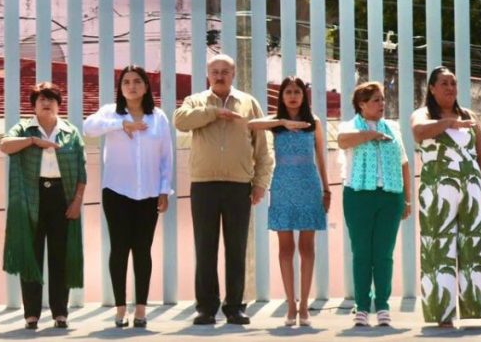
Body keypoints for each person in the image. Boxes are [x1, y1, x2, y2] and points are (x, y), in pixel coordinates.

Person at [173, 54, 274, 326]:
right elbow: (180, 121)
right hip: (204, 184)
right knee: (205, 247)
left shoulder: (249, 103)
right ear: (208, 74)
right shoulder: (196, 101)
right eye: (215, 71)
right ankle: (206, 307)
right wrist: (213, 112)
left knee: (236, 247)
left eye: (225, 72)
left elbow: (263, 148)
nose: (219, 76)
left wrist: (261, 183)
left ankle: (235, 307)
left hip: (239, 185)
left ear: (234, 74)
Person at [410, 66, 481, 327]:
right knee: (439, 249)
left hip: (471, 187)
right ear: (431, 88)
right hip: (436, 191)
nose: (450, 88)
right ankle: (443, 315)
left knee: (476, 246)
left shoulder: (470, 115)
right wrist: (450, 123)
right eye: (444, 83)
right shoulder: (422, 114)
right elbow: (419, 132)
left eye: (453, 83)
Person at [84, 65, 174, 328]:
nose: (131, 86)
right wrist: (119, 124)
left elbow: (166, 157)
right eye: (126, 82)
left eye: (137, 81)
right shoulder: (109, 113)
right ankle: (120, 308)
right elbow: (88, 127)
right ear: (120, 88)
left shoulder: (158, 117)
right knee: (119, 249)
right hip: (117, 192)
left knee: (143, 250)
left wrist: (164, 189)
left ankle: (141, 309)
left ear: (146, 86)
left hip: (148, 193)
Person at [1, 82, 87, 330]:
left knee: (60, 255)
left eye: (51, 99)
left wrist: (77, 201)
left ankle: (60, 312)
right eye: (41, 99)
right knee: (32, 253)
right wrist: (33, 141)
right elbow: (5, 145)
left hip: (62, 196)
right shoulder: (24, 127)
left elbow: (82, 171)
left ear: (59, 104)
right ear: (34, 105)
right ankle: (31, 314)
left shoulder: (70, 131)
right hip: (32, 196)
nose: (46, 103)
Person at [248, 76, 329, 327]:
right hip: (282, 184)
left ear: (304, 95)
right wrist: (281, 121)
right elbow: (249, 124)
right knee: (285, 248)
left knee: (307, 248)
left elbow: (321, 157)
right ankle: (290, 305)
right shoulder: (275, 123)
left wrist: (327, 190)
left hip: (309, 184)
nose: (293, 96)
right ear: (281, 96)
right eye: (288, 92)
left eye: (297, 91)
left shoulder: (313, 122)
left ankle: (304, 305)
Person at [337, 81, 412, 327]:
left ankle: (382, 305)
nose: (382, 104)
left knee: (383, 253)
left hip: (390, 195)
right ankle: (361, 306)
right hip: (359, 195)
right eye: (376, 100)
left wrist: (407, 198)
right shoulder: (351, 126)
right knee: (361, 253)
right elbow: (342, 141)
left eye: (382, 99)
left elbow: (404, 163)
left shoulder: (392, 127)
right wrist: (370, 134)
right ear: (362, 104)